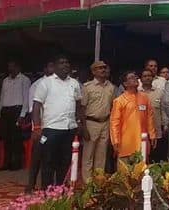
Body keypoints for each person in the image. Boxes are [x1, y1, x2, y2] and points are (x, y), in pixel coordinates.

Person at [31, 55, 84, 188]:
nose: (65, 65)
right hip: (51, 129)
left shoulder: (74, 83)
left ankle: (60, 189)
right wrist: (37, 127)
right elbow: (36, 106)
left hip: (69, 128)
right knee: (48, 162)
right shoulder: (45, 83)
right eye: (61, 63)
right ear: (54, 66)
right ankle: (46, 191)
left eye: (67, 62)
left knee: (65, 161)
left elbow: (78, 104)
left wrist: (79, 122)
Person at [80, 60, 115, 182]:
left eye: (104, 68)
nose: (103, 70)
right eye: (100, 68)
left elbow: (112, 107)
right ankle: (88, 182)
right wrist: (83, 128)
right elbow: (82, 108)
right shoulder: (87, 87)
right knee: (88, 154)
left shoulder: (111, 87)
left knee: (101, 155)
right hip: (91, 123)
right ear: (93, 71)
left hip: (105, 122)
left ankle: (98, 182)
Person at [111, 71, 156, 160]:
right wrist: (115, 141)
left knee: (143, 171)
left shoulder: (144, 98)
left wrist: (152, 135)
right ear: (125, 83)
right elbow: (114, 122)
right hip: (125, 143)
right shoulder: (119, 100)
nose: (135, 78)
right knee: (125, 172)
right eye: (131, 77)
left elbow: (149, 118)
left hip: (142, 142)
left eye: (135, 76)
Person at [0, 61, 31, 171]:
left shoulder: (24, 80)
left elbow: (26, 98)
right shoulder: (5, 80)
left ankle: (16, 163)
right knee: (5, 138)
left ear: (18, 67)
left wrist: (22, 114)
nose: (10, 68)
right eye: (9, 66)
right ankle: (6, 163)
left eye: (12, 66)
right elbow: (2, 98)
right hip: (6, 110)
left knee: (16, 138)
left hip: (17, 109)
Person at [26, 61, 54, 192]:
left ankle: (46, 186)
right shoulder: (36, 85)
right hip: (40, 128)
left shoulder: (56, 84)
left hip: (53, 127)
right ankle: (30, 185)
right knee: (37, 158)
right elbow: (33, 109)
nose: (52, 69)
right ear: (45, 68)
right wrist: (37, 128)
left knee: (49, 159)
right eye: (50, 66)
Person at [139, 68, 165, 162]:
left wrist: (165, 125)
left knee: (156, 157)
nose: (147, 78)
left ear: (153, 78)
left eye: (149, 76)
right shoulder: (137, 93)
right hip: (140, 131)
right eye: (144, 76)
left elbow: (163, 110)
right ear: (140, 79)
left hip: (156, 129)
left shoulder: (159, 93)